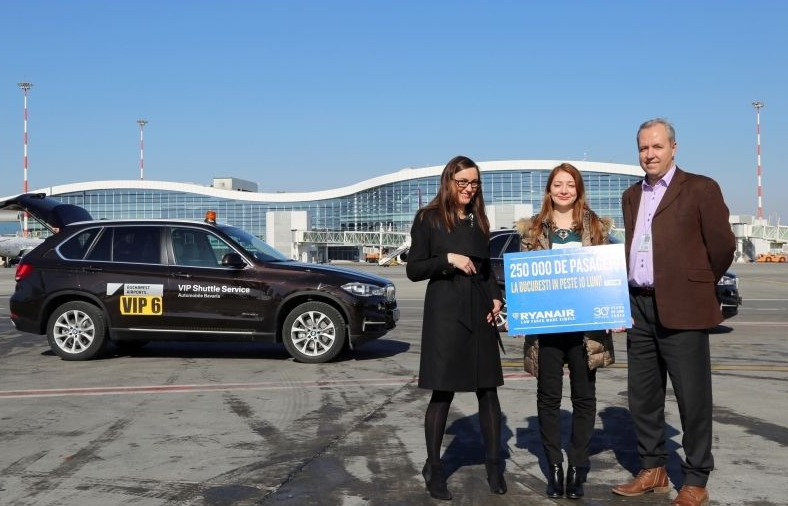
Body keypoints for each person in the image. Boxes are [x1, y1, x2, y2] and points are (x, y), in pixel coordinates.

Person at [611, 119, 735, 506]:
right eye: (643, 148)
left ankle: (696, 478)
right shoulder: (631, 195)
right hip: (639, 305)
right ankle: (653, 469)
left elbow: (722, 247)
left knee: (692, 398)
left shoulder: (700, 188)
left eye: (657, 147)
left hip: (684, 305)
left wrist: (694, 283)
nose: (649, 154)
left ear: (674, 148)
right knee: (642, 396)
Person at [406, 155, 506, 500]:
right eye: (462, 182)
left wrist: (496, 298)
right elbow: (414, 269)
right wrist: (448, 259)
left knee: (488, 391)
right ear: (449, 181)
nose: (468, 188)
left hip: (480, 311)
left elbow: (485, 270)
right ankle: (434, 468)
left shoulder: (479, 219)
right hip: (446, 314)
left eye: (474, 183)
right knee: (443, 392)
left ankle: (494, 465)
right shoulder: (429, 218)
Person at [514, 163, 613, 499]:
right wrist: (522, 315)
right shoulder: (533, 230)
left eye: (570, 184)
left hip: (586, 330)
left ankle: (577, 465)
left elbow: (608, 275)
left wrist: (613, 308)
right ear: (549, 190)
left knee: (584, 398)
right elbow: (525, 280)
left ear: (578, 189)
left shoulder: (596, 226)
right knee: (548, 398)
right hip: (548, 328)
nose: (564, 190)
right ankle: (554, 465)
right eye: (558, 184)